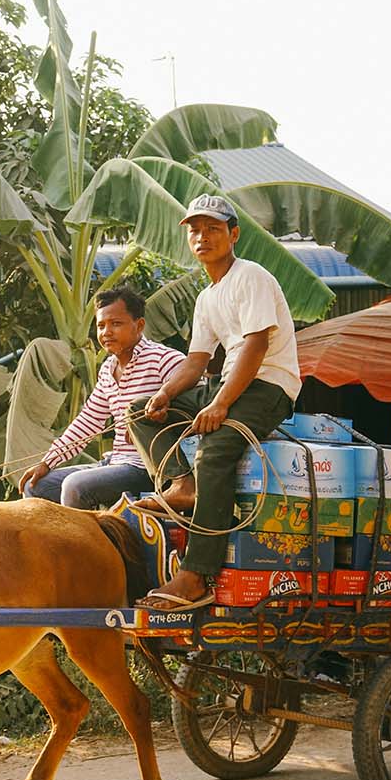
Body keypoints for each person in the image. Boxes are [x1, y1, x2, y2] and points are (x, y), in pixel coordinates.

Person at [127, 194, 300, 611]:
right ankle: (181, 484)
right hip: (230, 383)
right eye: (195, 230)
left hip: (270, 385)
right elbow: (197, 361)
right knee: (139, 410)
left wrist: (220, 404)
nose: (203, 237)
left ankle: (196, 576)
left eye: (213, 228)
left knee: (216, 449)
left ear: (233, 234)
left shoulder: (251, 276)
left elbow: (257, 345)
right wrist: (165, 395)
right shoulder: (207, 297)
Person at [19, 286, 185, 509]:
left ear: (140, 325)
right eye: (100, 325)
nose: (106, 332)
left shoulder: (165, 360)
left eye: (116, 324)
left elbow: (193, 409)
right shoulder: (108, 369)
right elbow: (87, 422)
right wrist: (47, 462)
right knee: (35, 485)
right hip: (115, 462)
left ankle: (79, 544)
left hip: (149, 468)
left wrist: (154, 421)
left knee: (75, 486)